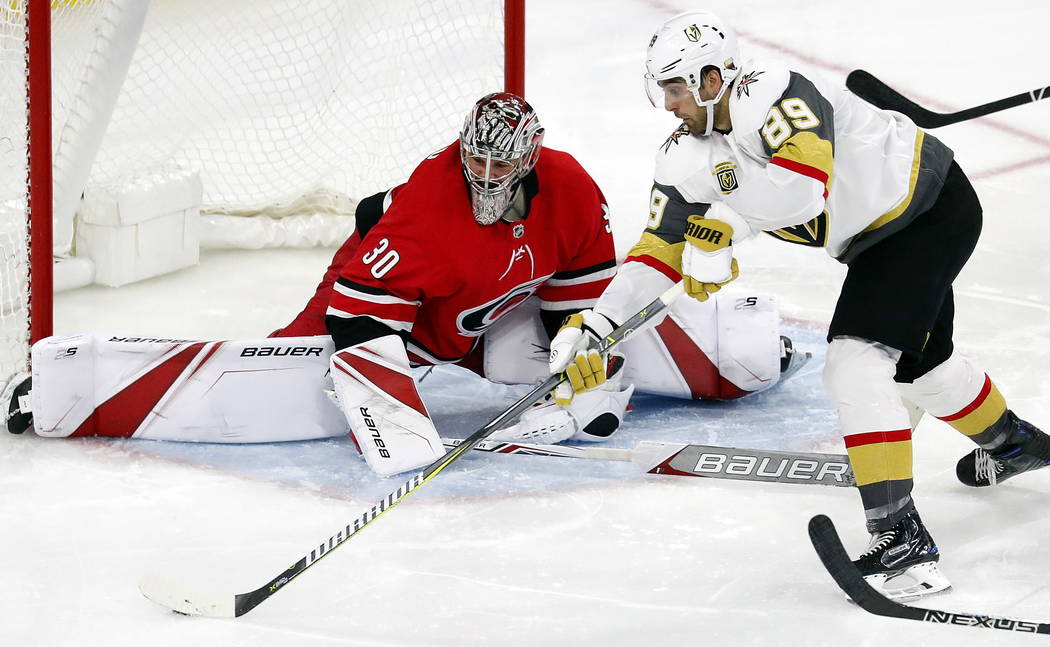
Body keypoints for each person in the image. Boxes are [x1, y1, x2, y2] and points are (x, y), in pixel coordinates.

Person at [3, 92, 805, 477]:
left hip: (482, 320)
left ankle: (743, 340)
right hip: (381, 307)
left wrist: (582, 373)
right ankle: (64, 388)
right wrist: (396, 419)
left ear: (530, 159)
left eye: (503, 163)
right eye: (477, 159)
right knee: (292, 379)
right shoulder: (425, 209)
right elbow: (358, 323)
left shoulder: (571, 190)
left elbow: (582, 303)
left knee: (572, 359)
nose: (487, 174)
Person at [547, 11, 1050, 601]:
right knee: (923, 368)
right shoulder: (684, 155)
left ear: (714, 80)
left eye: (676, 89)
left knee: (856, 364)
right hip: (874, 243)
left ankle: (904, 545)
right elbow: (658, 249)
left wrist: (727, 226)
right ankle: (1016, 447)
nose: (668, 105)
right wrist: (598, 322)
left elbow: (805, 183)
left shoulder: (775, 92)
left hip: (929, 210)